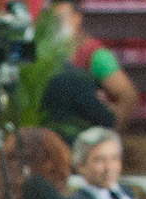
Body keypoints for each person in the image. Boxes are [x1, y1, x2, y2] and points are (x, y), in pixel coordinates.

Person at [50, 0, 139, 130]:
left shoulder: (96, 56)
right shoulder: (48, 53)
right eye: (51, 21)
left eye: (61, 19)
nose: (56, 26)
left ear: (77, 19)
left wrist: (108, 133)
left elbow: (129, 98)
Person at [70, 127, 146, 199]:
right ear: (81, 165)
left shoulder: (132, 194)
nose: (109, 167)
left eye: (114, 158)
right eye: (100, 160)